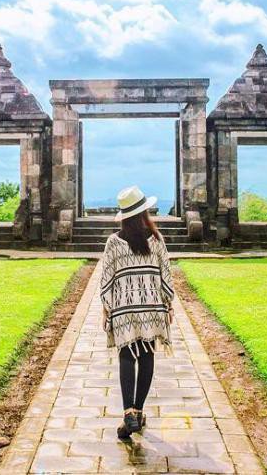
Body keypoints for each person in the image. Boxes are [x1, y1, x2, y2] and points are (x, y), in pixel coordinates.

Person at [99, 185, 174, 441]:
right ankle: (139, 410)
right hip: (151, 309)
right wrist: (168, 305)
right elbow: (166, 278)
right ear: (144, 213)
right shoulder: (156, 239)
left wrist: (106, 309)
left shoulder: (114, 242)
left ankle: (129, 412)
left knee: (126, 356)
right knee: (147, 356)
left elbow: (106, 281)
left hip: (124, 310)